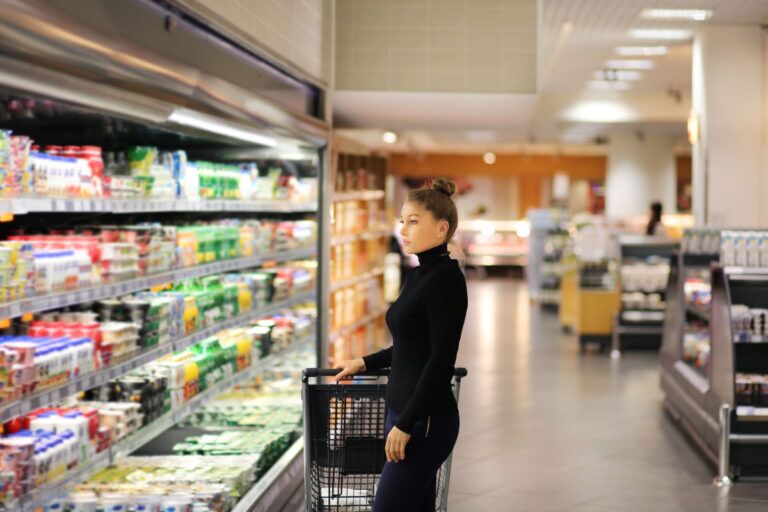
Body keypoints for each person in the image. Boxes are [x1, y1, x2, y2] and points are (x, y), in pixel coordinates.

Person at [333, 178, 468, 512]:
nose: (403, 230)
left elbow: (439, 360)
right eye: (402, 221)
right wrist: (364, 362)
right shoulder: (420, 272)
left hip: (426, 421)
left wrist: (407, 424)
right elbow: (411, 346)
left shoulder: (445, 280)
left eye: (413, 221)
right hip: (405, 412)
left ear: (441, 229)